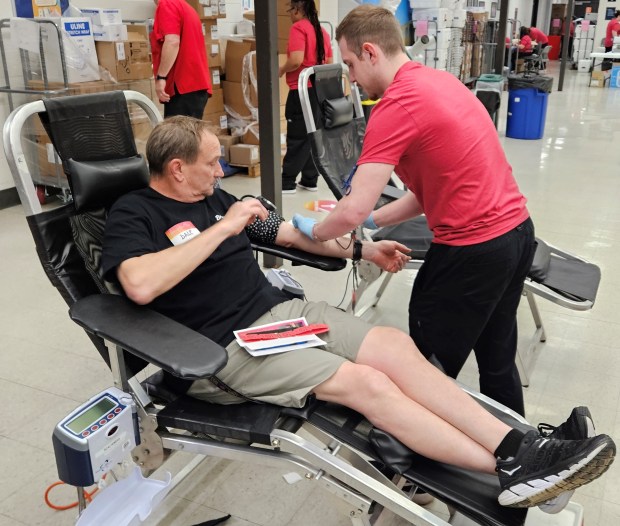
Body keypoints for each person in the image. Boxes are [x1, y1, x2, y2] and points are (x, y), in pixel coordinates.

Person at [101, 116, 615, 511]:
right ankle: (508, 471)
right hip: (223, 349)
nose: (221, 170)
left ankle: (521, 444)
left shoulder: (217, 198)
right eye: (212, 162)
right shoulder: (136, 213)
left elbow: (288, 234)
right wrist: (224, 227)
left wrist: (362, 251)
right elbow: (139, 284)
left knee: (392, 346)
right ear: (176, 168)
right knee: (366, 385)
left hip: (280, 312)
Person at [292, 5, 535, 416]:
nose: (350, 76)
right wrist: (377, 220)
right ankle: (520, 456)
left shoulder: (396, 105)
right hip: (516, 236)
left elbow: (350, 212)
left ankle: (419, 468)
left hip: (473, 251)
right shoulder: (440, 82)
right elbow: (433, 186)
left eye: (350, 63)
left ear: (371, 52)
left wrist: (317, 233)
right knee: (496, 359)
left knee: (425, 369)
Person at [279, 0, 333, 194]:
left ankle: (286, 183)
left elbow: (296, 60)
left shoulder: (299, 28)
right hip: (319, 90)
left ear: (298, 9)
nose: (289, 14)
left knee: (297, 136)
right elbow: (328, 62)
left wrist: (280, 70)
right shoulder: (322, 32)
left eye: (291, 10)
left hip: (302, 90)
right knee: (315, 135)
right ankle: (310, 180)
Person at [150, 0, 212, 118]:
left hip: (182, 87)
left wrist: (161, 77)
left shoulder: (167, 4)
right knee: (189, 134)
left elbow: (172, 42)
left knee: (177, 135)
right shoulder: (186, 7)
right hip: (195, 86)